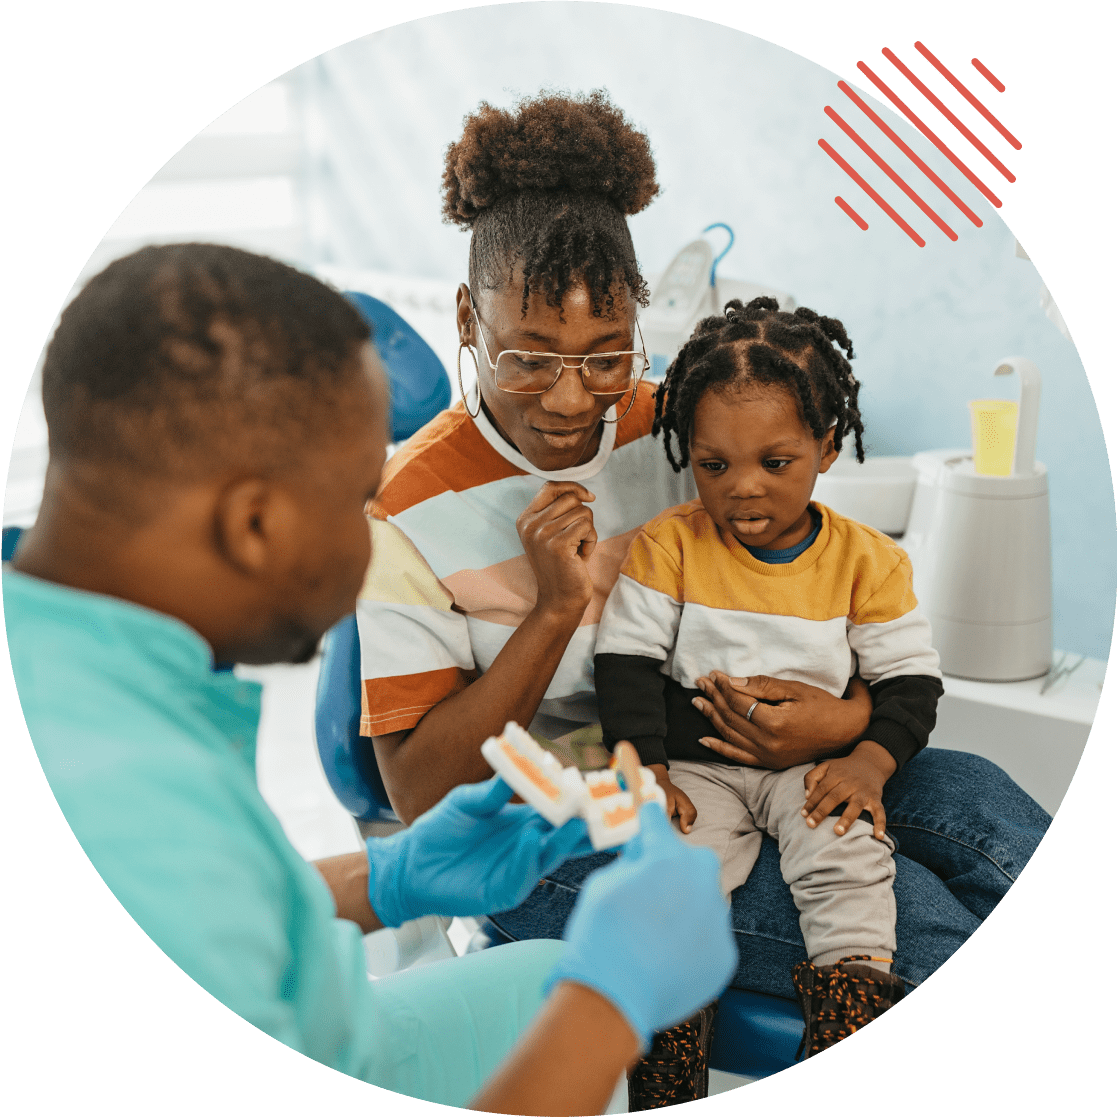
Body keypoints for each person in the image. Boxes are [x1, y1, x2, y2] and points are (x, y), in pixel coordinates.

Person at [356, 89, 1051, 1100]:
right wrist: (553, 610)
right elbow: (421, 798)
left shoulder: (682, 427)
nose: (570, 397)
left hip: (746, 752)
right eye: (528, 356)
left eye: (606, 354)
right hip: (561, 825)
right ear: (467, 317)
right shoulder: (404, 509)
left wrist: (845, 719)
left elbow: (802, 587)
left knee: (983, 804)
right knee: (917, 921)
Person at [2, 242, 738, 1115]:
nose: (371, 535)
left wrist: (386, 879)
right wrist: (608, 1006)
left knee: (538, 975)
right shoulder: (129, 803)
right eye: (359, 499)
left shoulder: (77, 670)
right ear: (254, 524)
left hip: (322, 1024)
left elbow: (193, 919)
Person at [595, 296, 945, 1055]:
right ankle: (667, 1061)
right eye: (714, 465)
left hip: (812, 771)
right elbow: (625, 663)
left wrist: (868, 762)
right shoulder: (669, 545)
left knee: (849, 859)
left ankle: (847, 1026)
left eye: (774, 463)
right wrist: (647, 768)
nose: (742, 486)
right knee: (671, 879)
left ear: (826, 448)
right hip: (697, 771)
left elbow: (911, 683)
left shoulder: (869, 562)